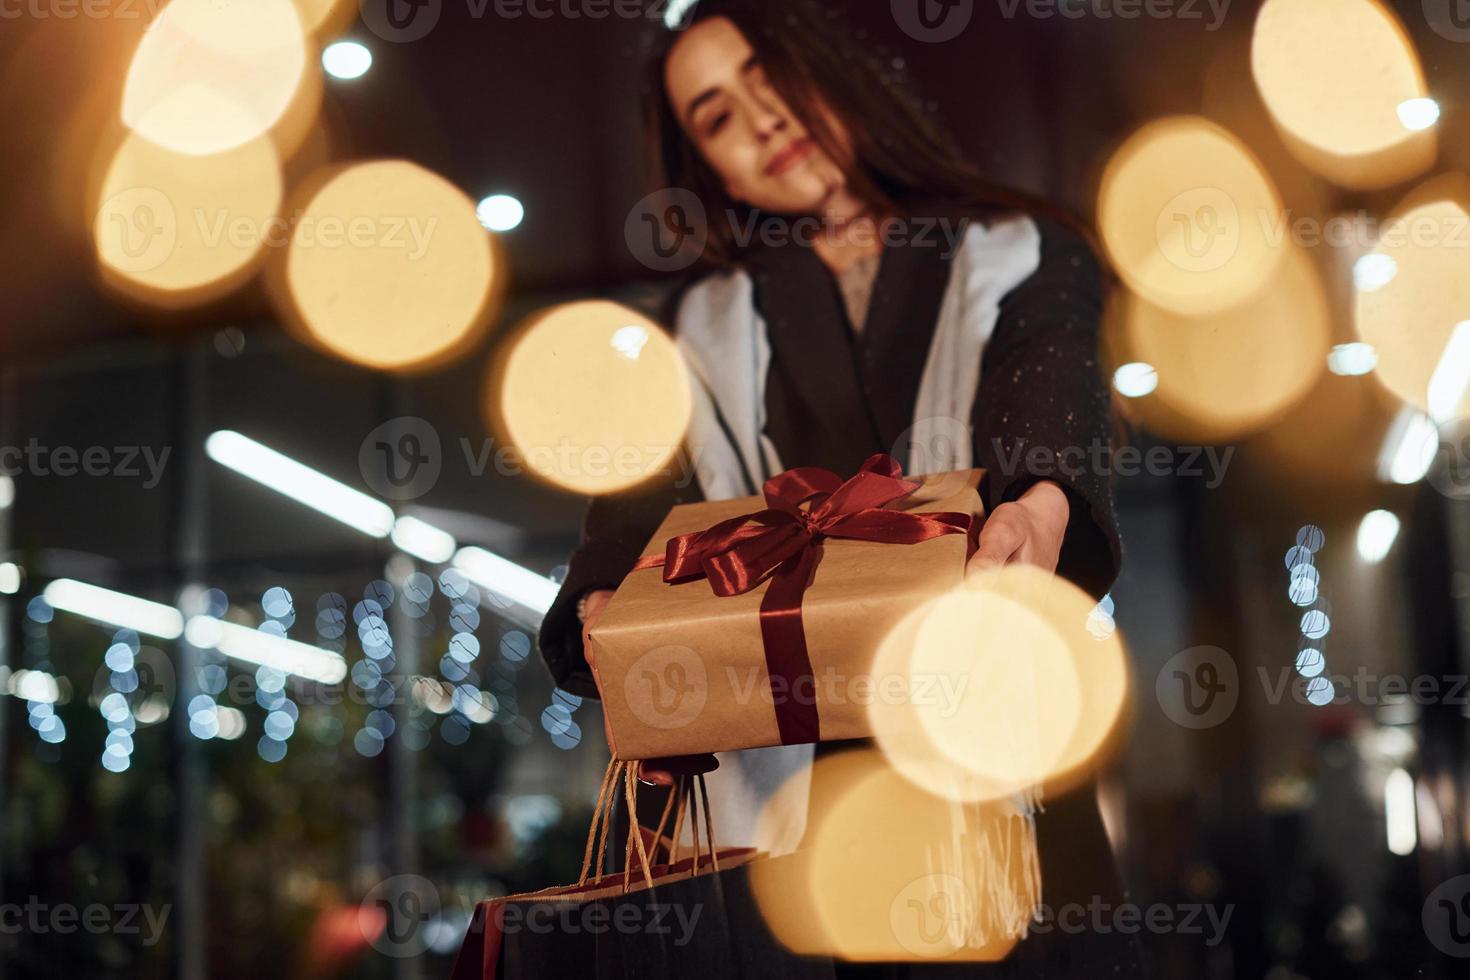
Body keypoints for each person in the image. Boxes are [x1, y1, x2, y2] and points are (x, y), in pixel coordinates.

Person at [537, 1, 1141, 973]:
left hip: (988, 725)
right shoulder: (702, 318)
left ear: (830, 69)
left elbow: (1049, 399)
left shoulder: (1018, 250)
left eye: (768, 78)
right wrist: (609, 599)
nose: (762, 120)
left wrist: (1039, 507)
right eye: (717, 115)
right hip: (788, 775)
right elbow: (640, 496)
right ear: (709, 167)